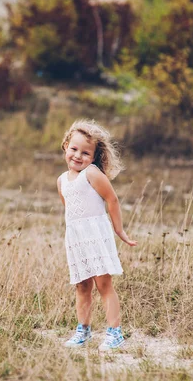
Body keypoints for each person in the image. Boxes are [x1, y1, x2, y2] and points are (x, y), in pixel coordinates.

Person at [57, 119, 137, 351]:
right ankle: (83, 330)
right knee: (81, 286)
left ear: (93, 157)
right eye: (74, 149)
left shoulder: (91, 173)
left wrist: (119, 230)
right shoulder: (62, 181)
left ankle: (115, 332)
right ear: (65, 146)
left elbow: (112, 199)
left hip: (96, 235)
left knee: (104, 284)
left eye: (85, 152)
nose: (78, 156)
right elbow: (70, 209)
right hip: (76, 239)